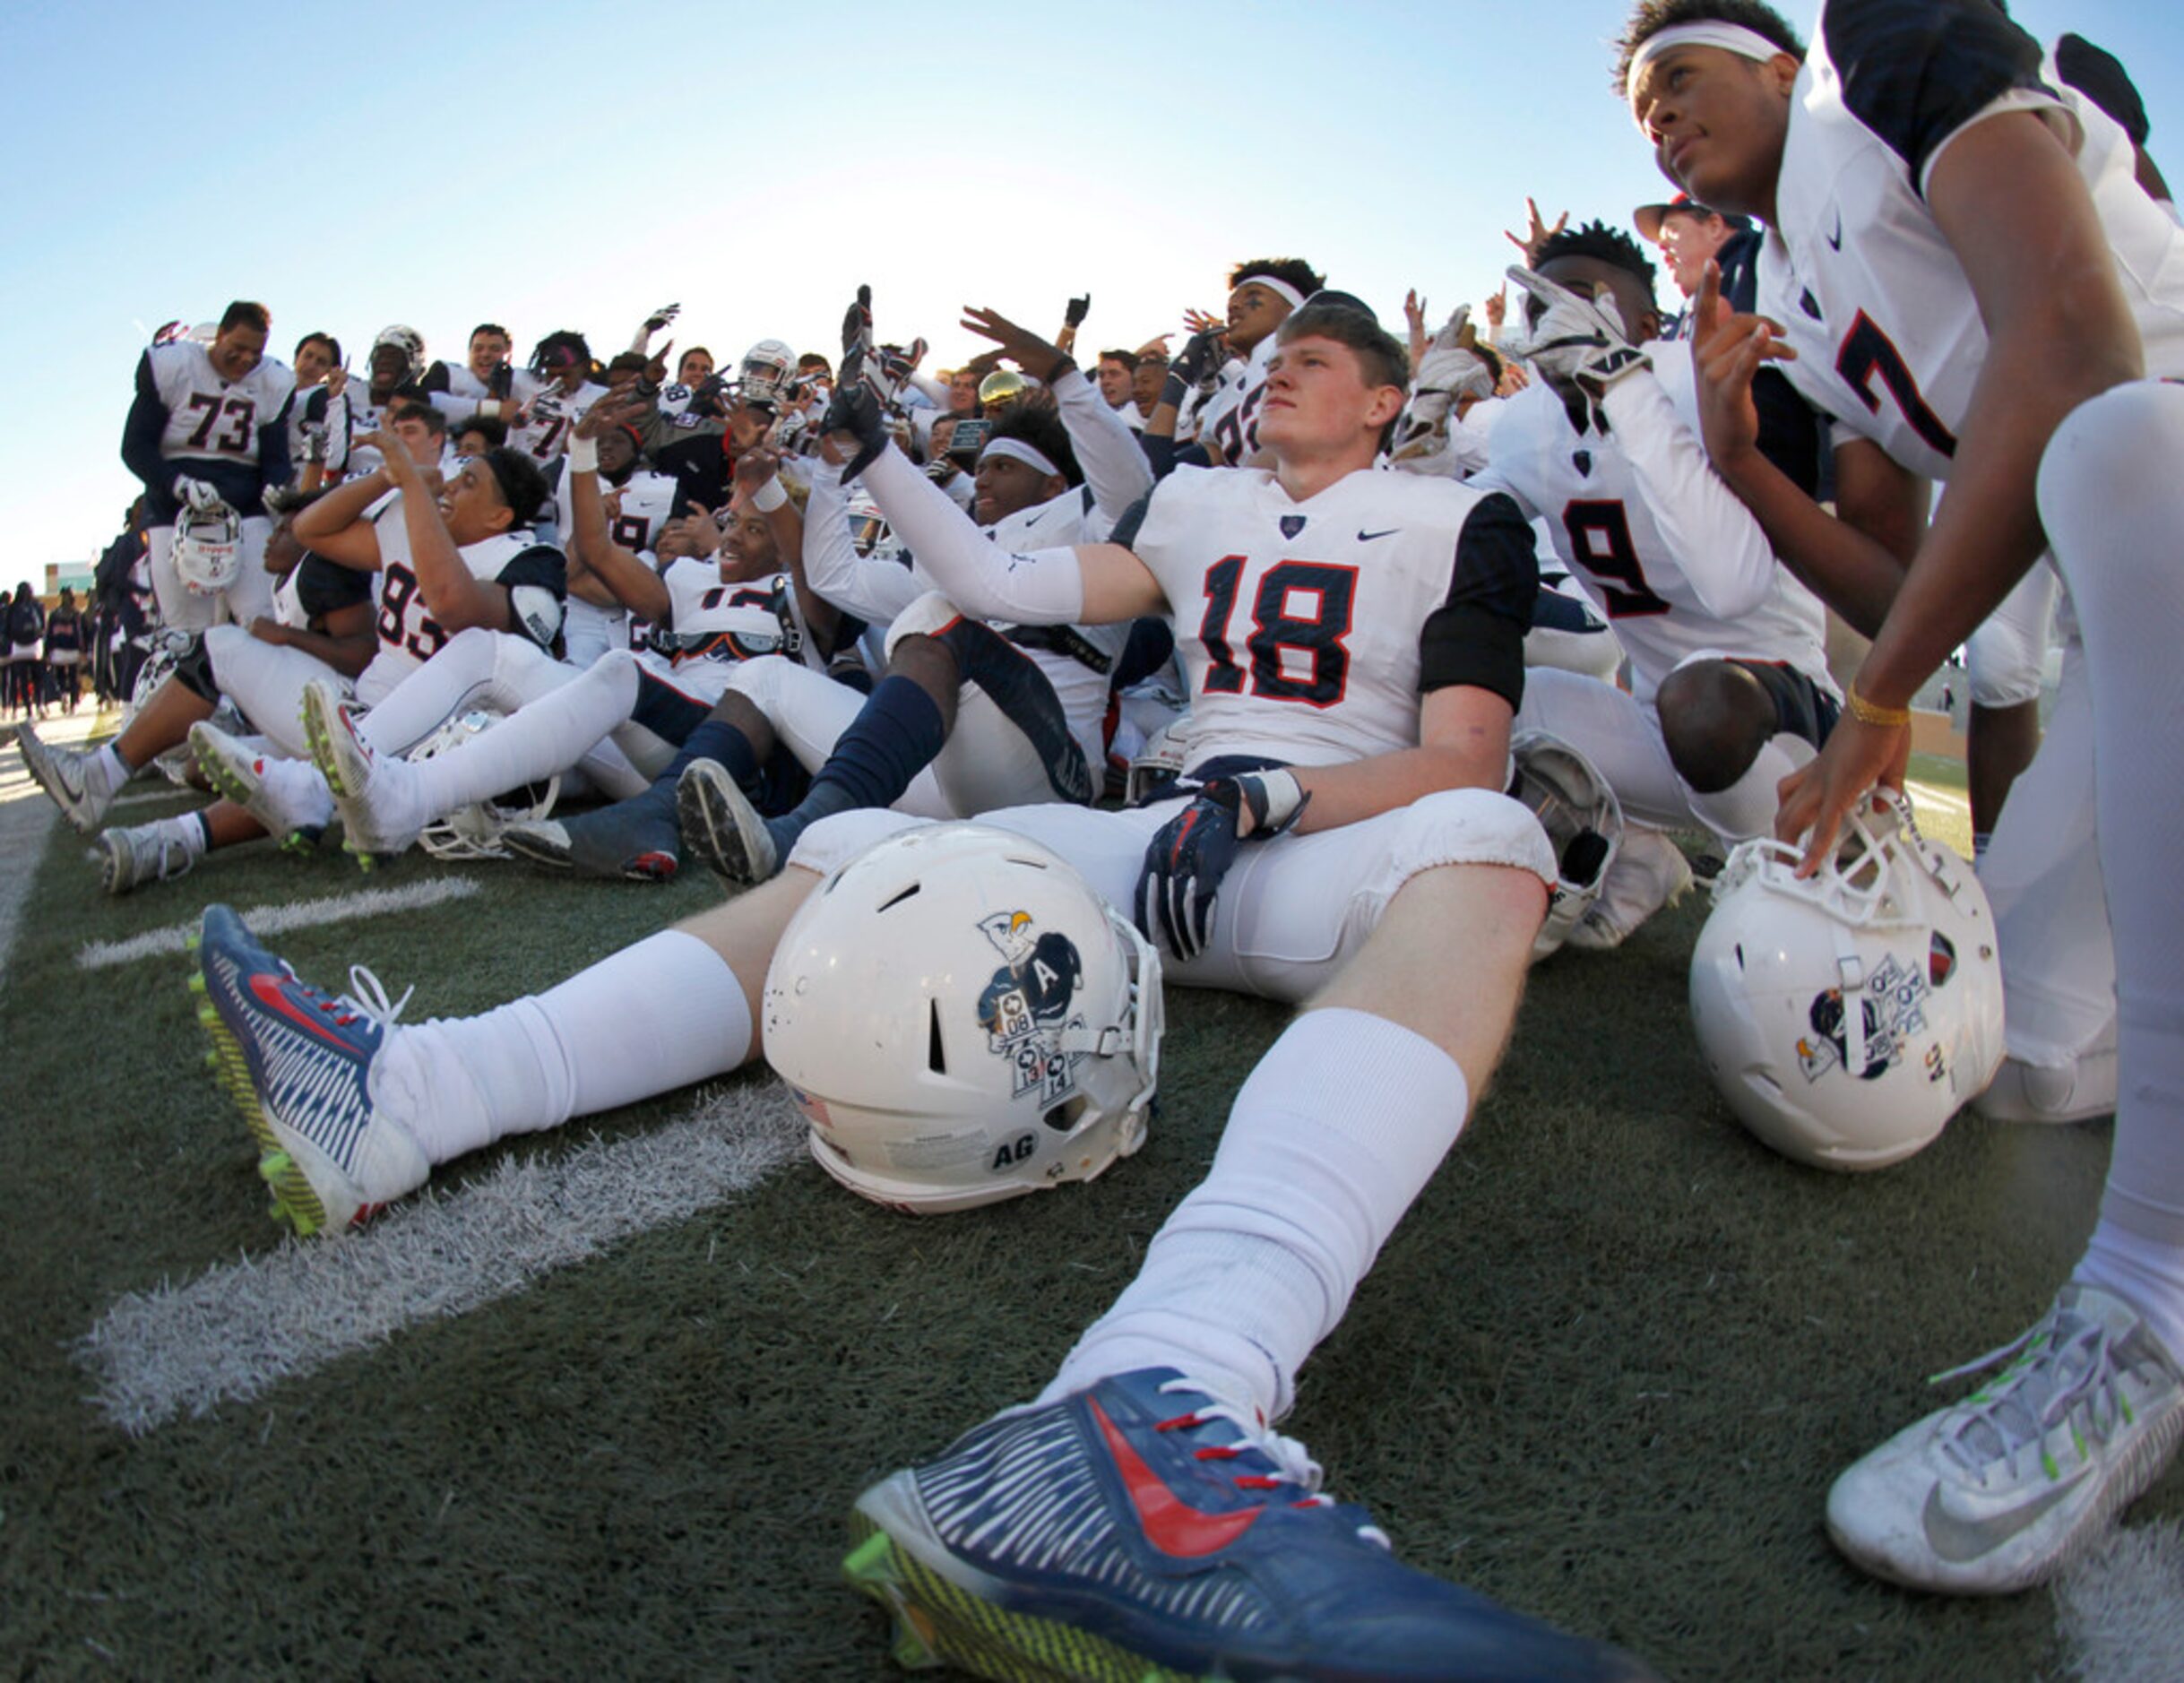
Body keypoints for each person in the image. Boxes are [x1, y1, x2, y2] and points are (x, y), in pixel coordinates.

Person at [188, 295, 1647, 1679]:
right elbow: (1001, 583)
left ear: (1388, 400)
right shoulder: (1196, 502)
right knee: (866, 836)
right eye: (1273, 354)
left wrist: (1274, 795)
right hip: (1169, 824)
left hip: (1332, 842)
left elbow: (1459, 755)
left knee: (1495, 833)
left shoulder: (1464, 517)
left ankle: (1161, 1383)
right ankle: (417, 1086)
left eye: (1318, 358)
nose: (1279, 369)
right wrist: (873, 447)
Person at [1621, 0, 2184, 1594]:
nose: (1660, 121)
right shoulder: (1774, 277)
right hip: (2135, 585)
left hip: (2165, 495)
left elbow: (2078, 349)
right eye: (1638, 110)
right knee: (2023, 1053)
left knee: (2131, 450)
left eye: (1682, 80)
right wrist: (1741, 464)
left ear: (1778, 61)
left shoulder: (1884, 49)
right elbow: (1906, 564)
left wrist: (1876, 700)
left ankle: (2149, 1300)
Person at [118, 300, 297, 634]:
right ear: (220, 335)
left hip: (243, 505)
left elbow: (275, 458)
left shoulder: (273, 381)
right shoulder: (175, 365)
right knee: (188, 629)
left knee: (261, 619)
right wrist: (178, 484)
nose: (246, 359)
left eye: (255, 353)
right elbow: (135, 447)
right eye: (238, 347)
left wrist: (277, 488)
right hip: (174, 506)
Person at [42, 587, 84, 713]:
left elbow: (49, 635)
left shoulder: (54, 614)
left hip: (57, 651)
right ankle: (73, 704)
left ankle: (63, 695)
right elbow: (82, 634)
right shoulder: (76, 614)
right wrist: (83, 650)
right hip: (73, 650)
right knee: (73, 677)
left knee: (60, 675)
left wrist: (47, 652)